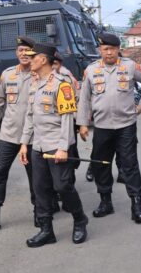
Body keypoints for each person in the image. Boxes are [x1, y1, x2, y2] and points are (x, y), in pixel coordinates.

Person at [77, 32, 141, 224]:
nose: (109, 52)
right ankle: (105, 202)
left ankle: (136, 205)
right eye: (105, 49)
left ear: (119, 49)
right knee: (101, 164)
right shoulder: (91, 70)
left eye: (112, 49)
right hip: (101, 127)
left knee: (130, 165)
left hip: (126, 125)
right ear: (99, 50)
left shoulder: (129, 66)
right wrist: (83, 123)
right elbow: (84, 98)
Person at [19, 43, 88, 247]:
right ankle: (46, 230)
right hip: (37, 146)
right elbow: (30, 117)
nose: (29, 60)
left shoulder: (62, 84)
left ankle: (80, 220)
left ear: (43, 59)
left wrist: (63, 148)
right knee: (40, 189)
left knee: (63, 186)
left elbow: (67, 119)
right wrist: (24, 144)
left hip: (56, 145)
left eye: (33, 57)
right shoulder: (35, 83)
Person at [0, 36, 47, 231]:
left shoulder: (41, 75)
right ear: (16, 53)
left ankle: (40, 213)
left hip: (34, 137)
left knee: (36, 176)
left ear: (34, 53)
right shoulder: (8, 75)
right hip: (9, 134)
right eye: (20, 50)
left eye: (27, 50)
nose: (24, 54)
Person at [53, 51, 81, 188]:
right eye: (50, 63)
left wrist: (78, 122)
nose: (52, 67)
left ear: (60, 64)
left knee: (68, 155)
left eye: (55, 64)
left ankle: (69, 185)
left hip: (68, 123)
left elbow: (77, 99)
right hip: (49, 127)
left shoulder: (67, 78)